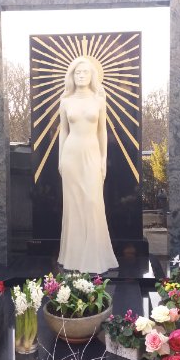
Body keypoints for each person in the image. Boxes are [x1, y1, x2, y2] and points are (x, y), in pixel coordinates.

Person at [57, 56, 118, 273]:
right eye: (78, 72)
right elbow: (63, 132)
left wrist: (103, 160)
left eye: (85, 72)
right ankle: (72, 257)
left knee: (92, 202)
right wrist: (60, 160)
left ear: (92, 75)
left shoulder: (99, 100)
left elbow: (102, 132)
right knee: (74, 206)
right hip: (71, 155)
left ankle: (95, 256)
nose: (81, 75)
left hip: (92, 154)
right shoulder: (65, 101)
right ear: (72, 75)